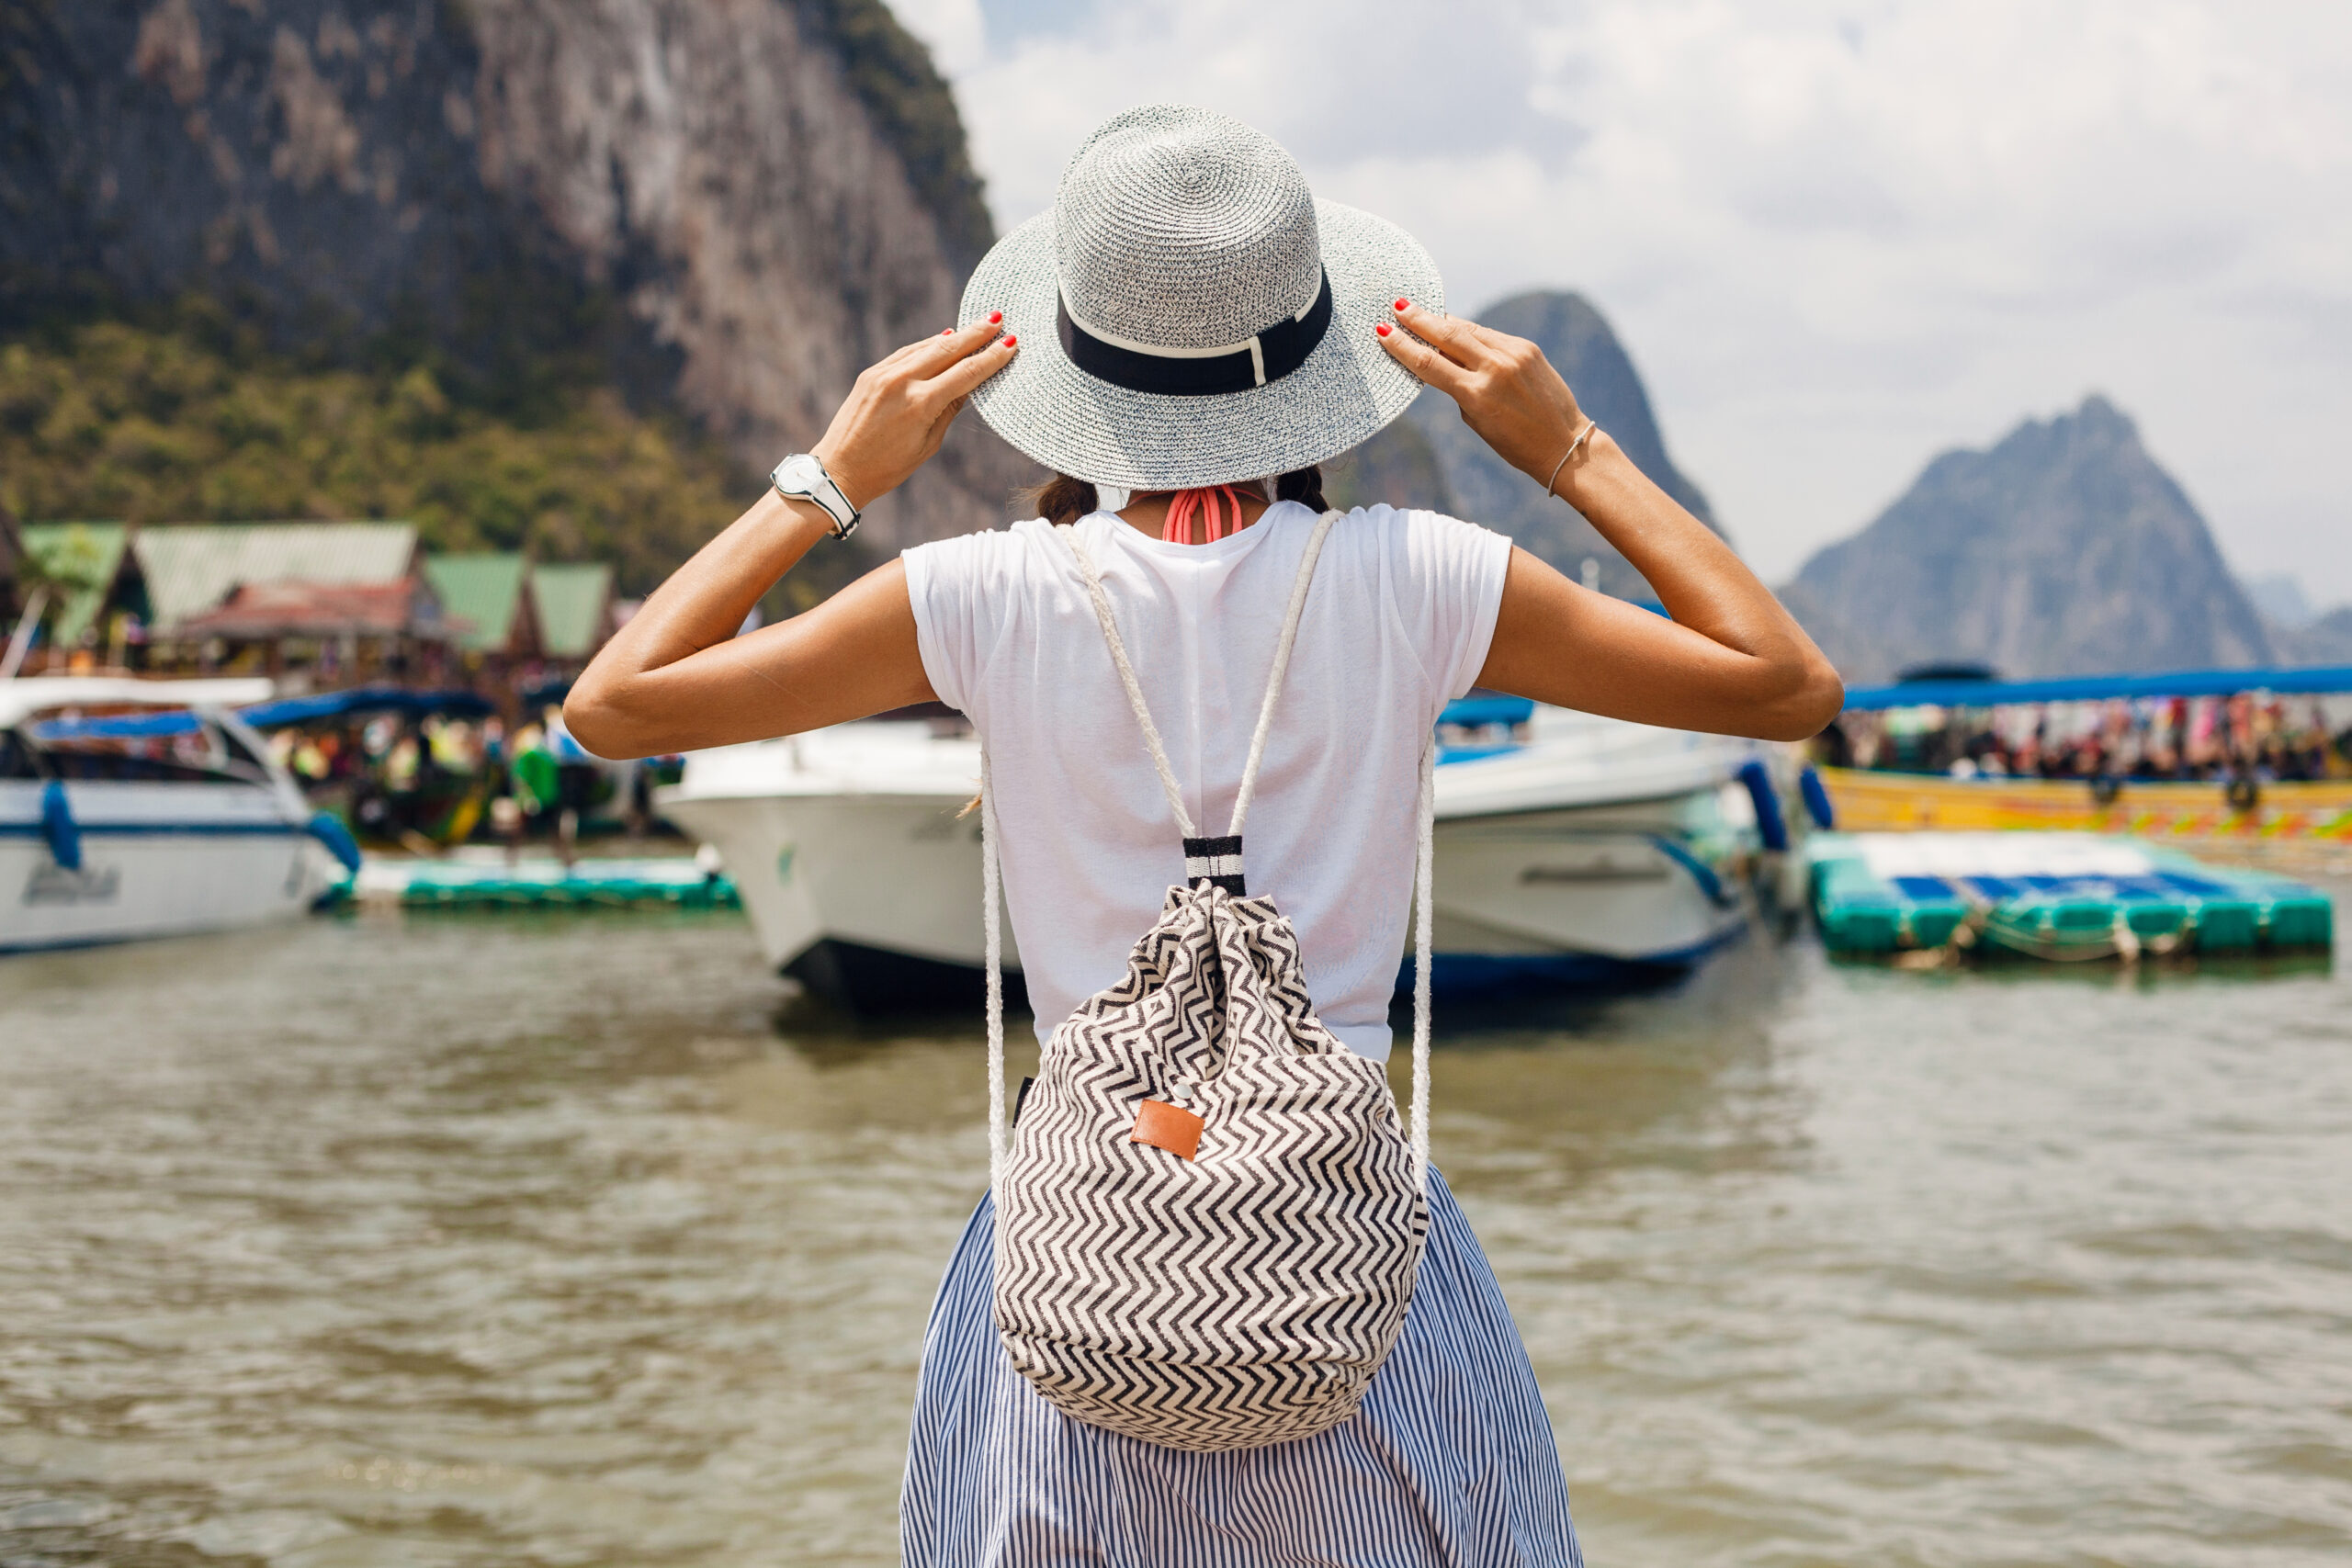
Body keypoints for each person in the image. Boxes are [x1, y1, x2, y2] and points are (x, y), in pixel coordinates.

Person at [568, 105, 1840, 1568]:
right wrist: (1572, 451)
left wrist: (833, 478)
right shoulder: (1420, 579)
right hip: (1352, 1269)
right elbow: (1785, 684)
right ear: (1322, 356)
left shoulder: (981, 597)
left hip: (1080, 1266)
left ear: (1065, 366)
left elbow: (614, 705)